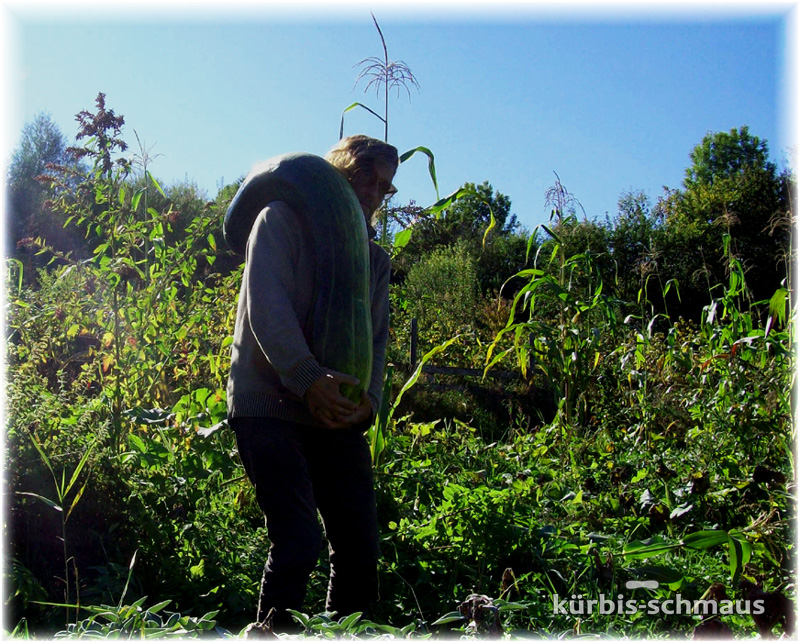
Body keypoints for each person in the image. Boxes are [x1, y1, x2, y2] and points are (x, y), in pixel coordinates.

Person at [226, 135, 398, 633]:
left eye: (385, 187)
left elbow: (378, 340)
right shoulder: (279, 218)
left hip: (337, 417)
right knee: (298, 541)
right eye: (368, 176)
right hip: (267, 405)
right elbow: (266, 306)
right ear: (339, 170)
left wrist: (369, 402)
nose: (374, 193)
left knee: (360, 548)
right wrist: (306, 377)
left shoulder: (374, 259)